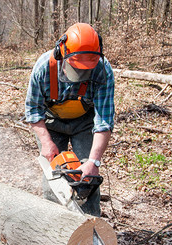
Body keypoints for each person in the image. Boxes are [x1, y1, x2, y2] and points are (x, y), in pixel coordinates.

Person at [25, 23, 115, 217]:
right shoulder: (43, 68)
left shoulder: (102, 71)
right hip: (51, 122)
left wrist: (94, 162)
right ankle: (52, 223)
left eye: (86, 69)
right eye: (77, 67)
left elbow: (104, 120)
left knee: (88, 175)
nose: (82, 75)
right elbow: (33, 110)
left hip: (85, 123)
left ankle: (90, 222)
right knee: (54, 176)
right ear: (61, 53)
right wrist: (46, 142)